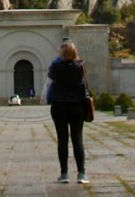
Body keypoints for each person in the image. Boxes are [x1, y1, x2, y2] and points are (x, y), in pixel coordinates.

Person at [46, 41, 91, 184]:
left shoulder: (55, 66)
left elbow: (50, 76)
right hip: (77, 105)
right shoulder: (80, 66)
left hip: (59, 105)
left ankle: (64, 174)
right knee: (77, 139)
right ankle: (81, 173)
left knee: (62, 140)